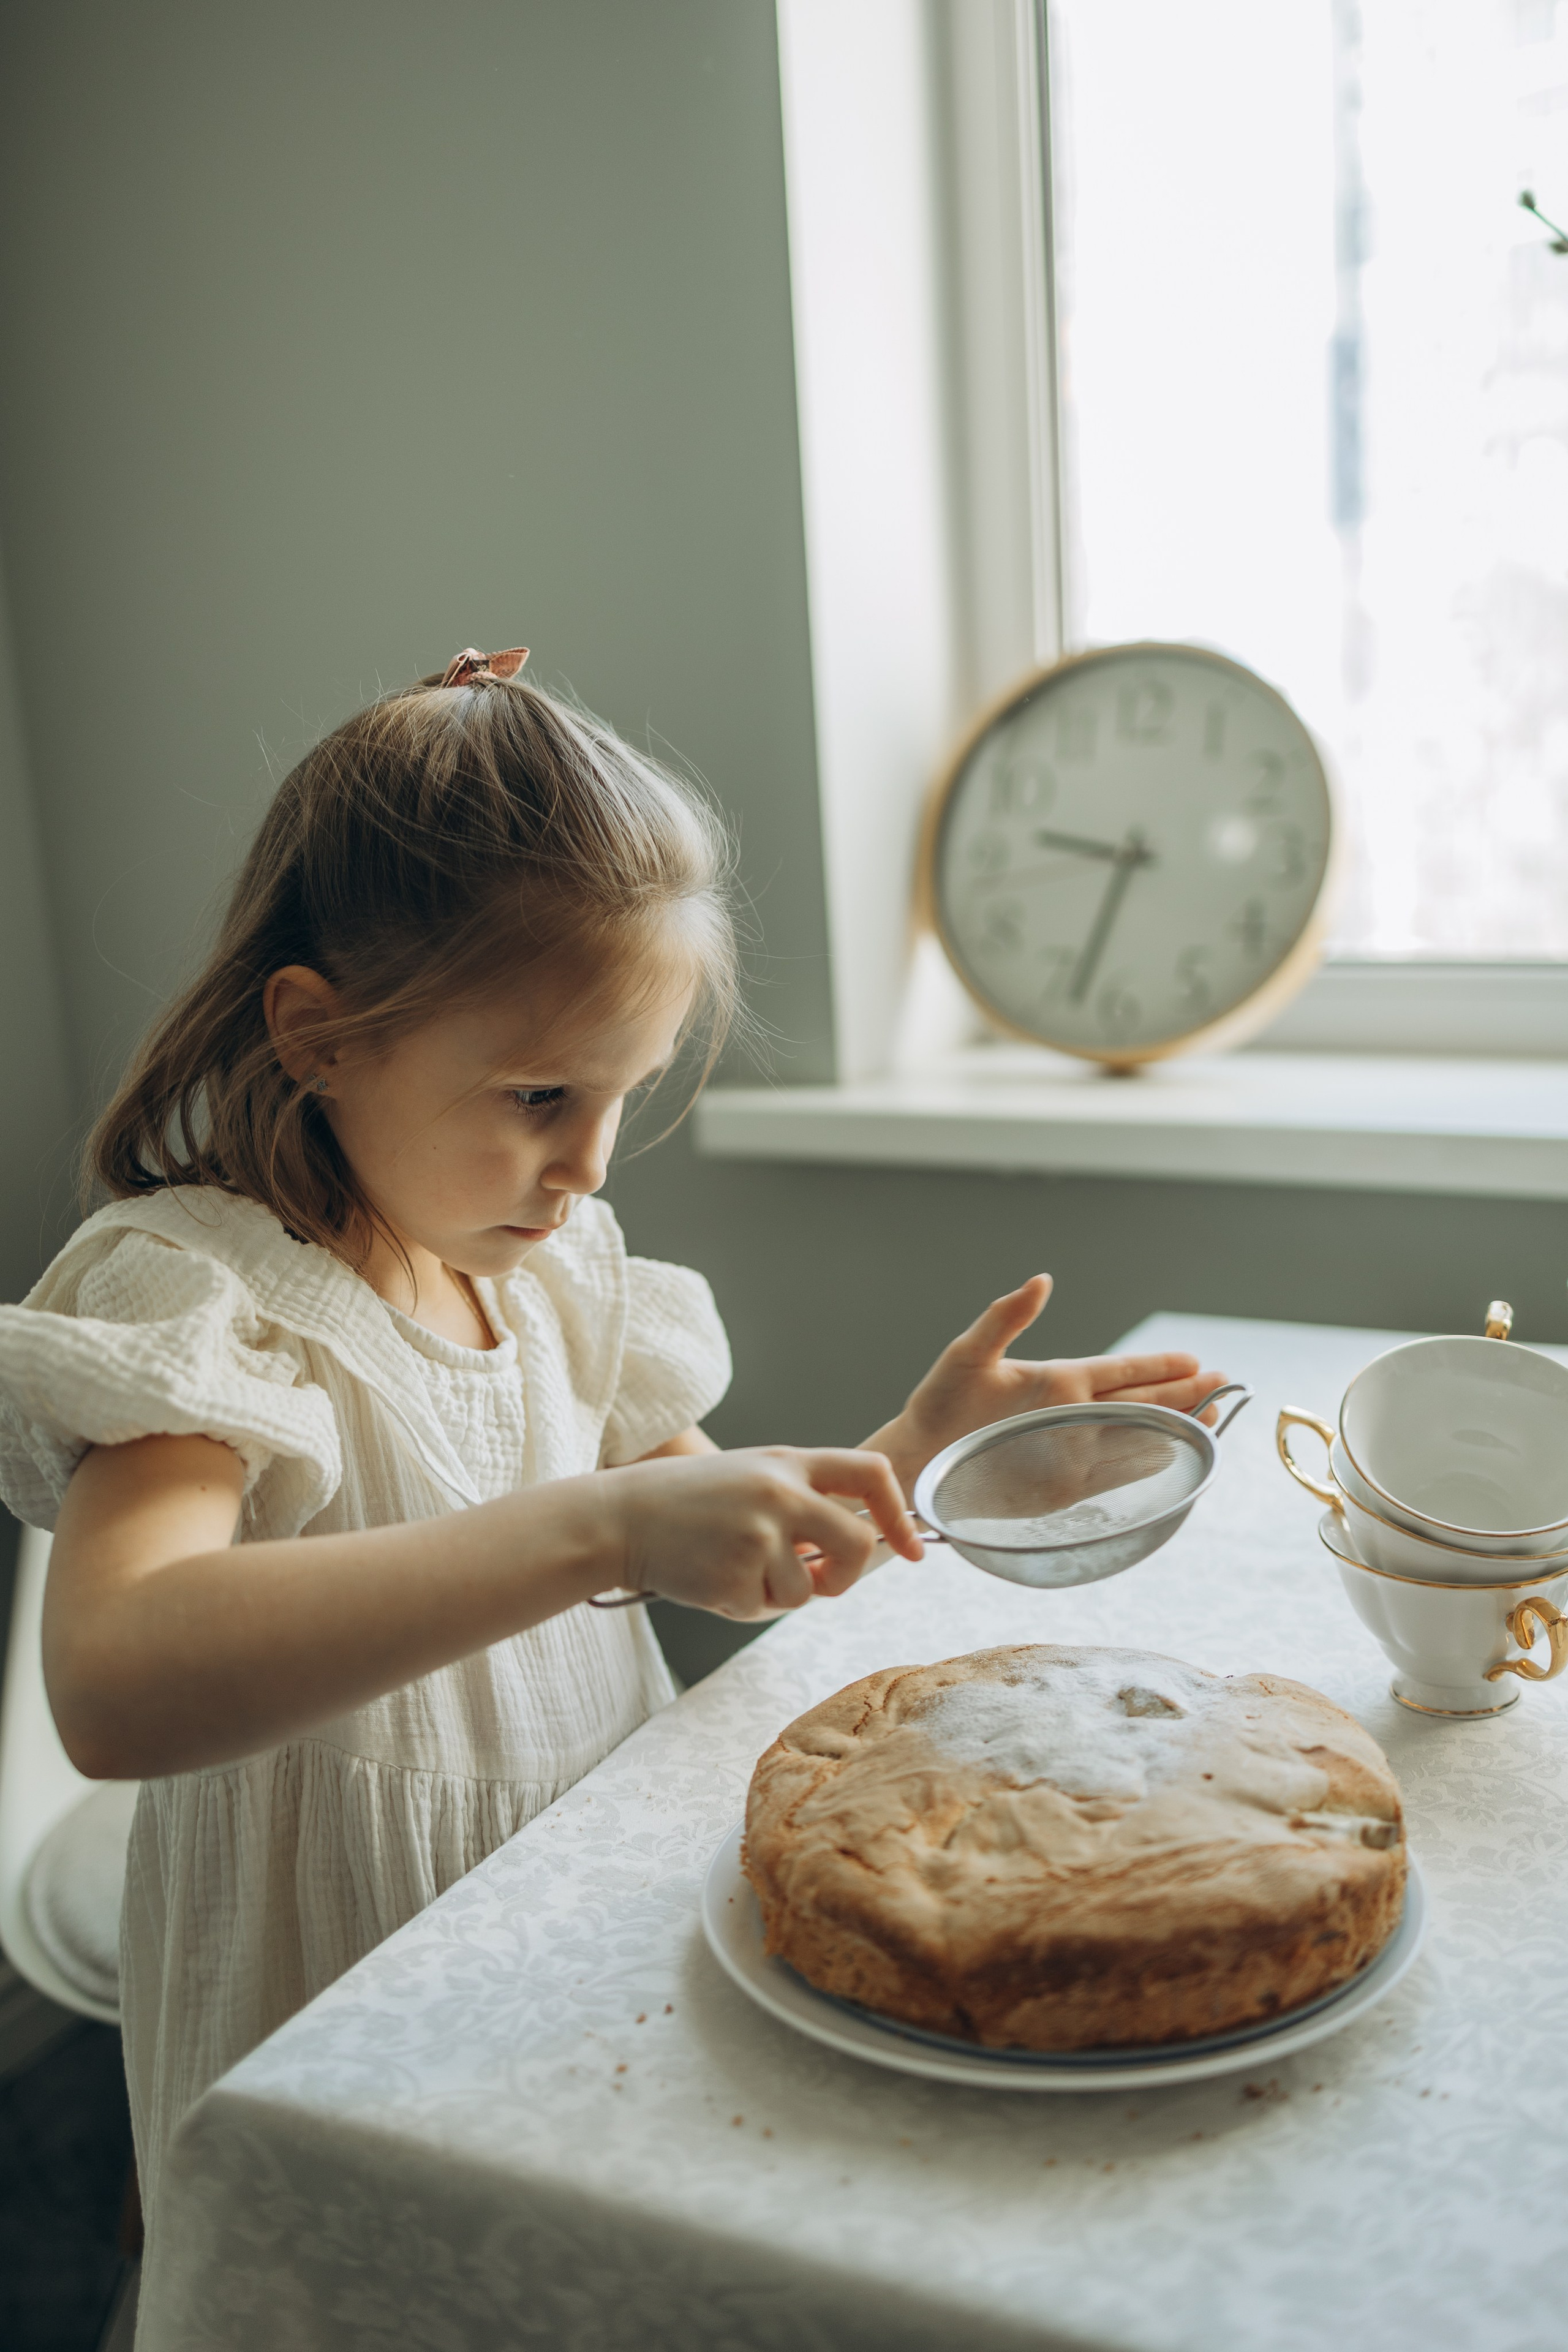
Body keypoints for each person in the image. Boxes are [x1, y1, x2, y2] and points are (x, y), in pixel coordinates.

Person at [0, 645, 1221, 2250]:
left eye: (621, 1099)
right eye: (534, 1094)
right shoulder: (208, 1294)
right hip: (331, 1995)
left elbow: (742, 1551)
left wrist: (920, 1458)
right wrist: (598, 1533)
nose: (580, 1167)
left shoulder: (560, 1274)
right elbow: (113, 1682)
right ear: (319, 1033)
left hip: (567, 1927)